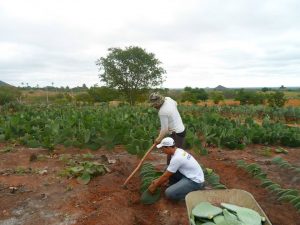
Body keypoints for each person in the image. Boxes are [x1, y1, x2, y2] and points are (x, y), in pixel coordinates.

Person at [149, 93, 186, 164]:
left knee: (172, 156)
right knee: (176, 154)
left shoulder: (162, 112)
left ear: (158, 103)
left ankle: (171, 172)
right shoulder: (168, 99)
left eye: (155, 105)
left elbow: (164, 130)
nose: (154, 107)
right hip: (182, 129)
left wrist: (158, 140)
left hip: (176, 134)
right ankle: (172, 170)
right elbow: (176, 103)